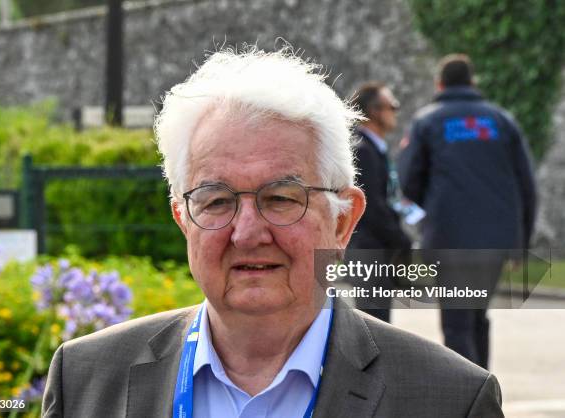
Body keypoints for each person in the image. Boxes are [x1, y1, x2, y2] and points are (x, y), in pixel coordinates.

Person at [42, 47, 504, 417]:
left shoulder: (450, 400)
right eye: (216, 200)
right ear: (183, 219)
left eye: (281, 198)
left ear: (343, 220)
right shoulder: (84, 379)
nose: (247, 232)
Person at [397, 53, 536, 369]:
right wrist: (519, 245)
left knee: (457, 323)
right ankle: (481, 394)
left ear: (440, 84)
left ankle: (468, 401)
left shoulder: (427, 122)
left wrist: (426, 220)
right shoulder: (502, 122)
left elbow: (407, 183)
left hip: (448, 238)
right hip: (495, 244)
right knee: (476, 316)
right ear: (473, 82)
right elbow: (527, 187)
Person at [348, 82, 411, 322]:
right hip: (368, 249)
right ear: (374, 111)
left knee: (378, 322)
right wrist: (401, 238)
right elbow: (371, 207)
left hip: (375, 247)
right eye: (392, 106)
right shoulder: (363, 149)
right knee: (374, 325)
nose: (395, 112)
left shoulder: (373, 148)